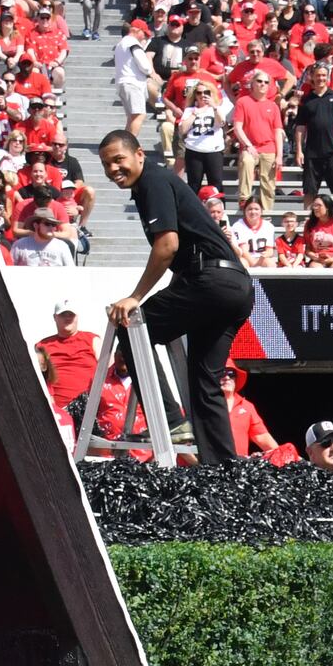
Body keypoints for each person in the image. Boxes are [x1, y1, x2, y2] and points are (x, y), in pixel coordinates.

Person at [97, 131, 260, 467]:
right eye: (106, 164)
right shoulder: (156, 183)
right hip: (236, 287)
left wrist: (135, 297)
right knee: (204, 382)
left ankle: (172, 421)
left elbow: (167, 246)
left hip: (211, 282)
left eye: (118, 159)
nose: (113, 168)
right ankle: (223, 472)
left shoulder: (152, 182)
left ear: (139, 154)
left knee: (132, 327)